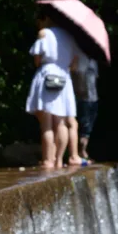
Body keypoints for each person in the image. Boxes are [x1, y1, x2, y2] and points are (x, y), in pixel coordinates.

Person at [25, 10, 83, 168]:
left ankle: (47, 160)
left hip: (47, 75)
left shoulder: (44, 33)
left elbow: (37, 60)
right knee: (61, 122)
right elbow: (74, 65)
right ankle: (59, 160)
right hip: (64, 78)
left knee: (47, 123)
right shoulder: (71, 37)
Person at [72, 55, 99, 160]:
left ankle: (82, 151)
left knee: (88, 128)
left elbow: (95, 78)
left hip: (93, 98)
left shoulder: (94, 60)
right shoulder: (80, 56)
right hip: (83, 98)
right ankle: (81, 152)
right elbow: (77, 76)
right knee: (84, 126)